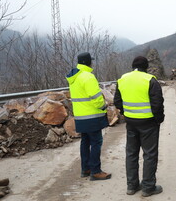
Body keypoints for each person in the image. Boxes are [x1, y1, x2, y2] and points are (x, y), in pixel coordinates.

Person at [114, 56, 165, 197]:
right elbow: (157, 103)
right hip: (148, 123)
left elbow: (117, 101)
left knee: (131, 153)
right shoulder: (150, 80)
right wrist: (158, 120)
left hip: (131, 122)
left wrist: (126, 113)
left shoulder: (122, 79)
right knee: (149, 154)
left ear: (132, 66)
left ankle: (132, 186)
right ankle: (148, 187)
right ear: (146, 67)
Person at [66, 52, 111, 181]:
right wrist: (103, 105)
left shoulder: (74, 76)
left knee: (85, 142)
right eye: (91, 61)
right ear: (87, 62)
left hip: (80, 116)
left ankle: (85, 169)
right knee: (96, 142)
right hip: (92, 116)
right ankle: (96, 171)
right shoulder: (88, 76)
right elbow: (96, 97)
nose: (93, 63)